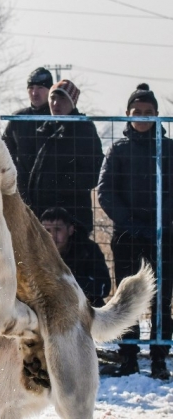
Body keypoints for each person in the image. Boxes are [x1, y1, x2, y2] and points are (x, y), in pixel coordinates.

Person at [98, 83, 172, 379]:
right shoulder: (118, 150)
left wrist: (160, 222)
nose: (142, 117)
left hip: (163, 234)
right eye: (136, 112)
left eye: (148, 112)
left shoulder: (168, 149)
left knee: (161, 296)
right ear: (127, 116)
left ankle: (159, 355)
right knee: (127, 295)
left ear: (157, 115)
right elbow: (105, 192)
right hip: (127, 236)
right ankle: (128, 353)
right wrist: (130, 223)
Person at [25, 79, 104, 234]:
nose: (56, 103)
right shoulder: (45, 129)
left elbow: (93, 172)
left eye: (62, 99)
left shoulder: (83, 130)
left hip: (72, 217)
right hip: (42, 214)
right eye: (53, 98)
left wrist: (60, 187)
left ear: (72, 102)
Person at [40, 207, 111, 307]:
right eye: (47, 230)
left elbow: (103, 287)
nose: (52, 236)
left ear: (70, 230)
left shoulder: (87, 250)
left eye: (57, 230)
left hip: (83, 308)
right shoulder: (35, 252)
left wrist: (65, 283)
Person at [3, 67, 53, 203]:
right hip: (22, 190)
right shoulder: (18, 119)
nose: (35, 92)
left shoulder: (58, 118)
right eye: (31, 88)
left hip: (52, 192)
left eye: (40, 88)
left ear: (50, 90)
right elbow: (5, 152)